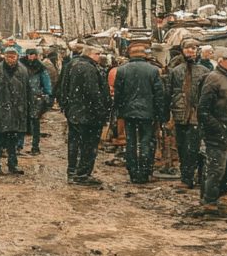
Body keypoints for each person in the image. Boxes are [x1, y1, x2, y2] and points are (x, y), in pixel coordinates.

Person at [58, 44, 111, 185]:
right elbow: (93, 92)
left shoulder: (71, 64)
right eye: (97, 53)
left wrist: (65, 105)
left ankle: (72, 172)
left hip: (75, 111)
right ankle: (82, 174)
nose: (99, 56)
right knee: (88, 144)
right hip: (88, 113)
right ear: (90, 54)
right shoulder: (89, 68)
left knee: (74, 143)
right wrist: (101, 111)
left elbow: (62, 86)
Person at [197, 47, 227, 207]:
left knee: (214, 168)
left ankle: (208, 199)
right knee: (216, 169)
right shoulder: (214, 78)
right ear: (221, 61)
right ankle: (209, 202)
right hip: (216, 132)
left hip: (223, 130)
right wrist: (218, 128)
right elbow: (203, 110)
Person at [114, 44, 165, 184]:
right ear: (144, 55)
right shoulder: (153, 70)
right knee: (146, 142)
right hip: (148, 112)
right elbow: (159, 94)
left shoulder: (122, 70)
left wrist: (118, 111)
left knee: (131, 142)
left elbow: (118, 93)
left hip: (128, 112)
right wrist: (160, 113)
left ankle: (133, 172)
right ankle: (145, 172)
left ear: (130, 54)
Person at [0, 47, 32, 175]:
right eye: (8, 56)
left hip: (16, 112)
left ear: (17, 57)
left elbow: (28, 92)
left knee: (13, 141)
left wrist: (27, 110)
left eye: (13, 57)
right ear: (4, 56)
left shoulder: (23, 71)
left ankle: (13, 165)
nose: (11, 59)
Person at [167, 38, 209, 191]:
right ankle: (186, 176)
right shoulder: (176, 71)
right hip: (180, 114)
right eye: (187, 48)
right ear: (182, 51)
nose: (190, 51)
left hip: (196, 115)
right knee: (182, 146)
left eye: (193, 48)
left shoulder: (204, 71)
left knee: (193, 148)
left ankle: (190, 178)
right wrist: (168, 114)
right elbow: (169, 92)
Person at [23, 48, 54, 155]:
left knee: (34, 122)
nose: (31, 56)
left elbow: (47, 84)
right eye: (29, 54)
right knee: (23, 122)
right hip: (23, 97)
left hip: (35, 98)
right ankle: (19, 146)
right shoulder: (21, 66)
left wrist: (47, 95)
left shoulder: (40, 68)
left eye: (33, 54)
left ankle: (35, 146)